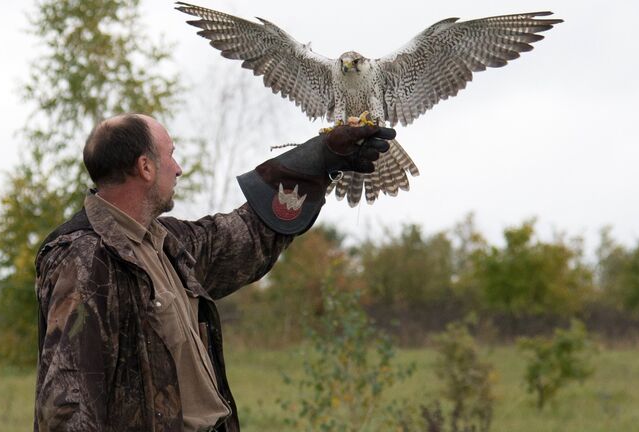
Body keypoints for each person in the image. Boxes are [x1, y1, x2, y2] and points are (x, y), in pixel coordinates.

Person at [34, 113, 394, 431]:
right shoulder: (84, 258)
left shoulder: (166, 243)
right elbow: (69, 402)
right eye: (171, 155)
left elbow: (241, 236)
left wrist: (320, 159)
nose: (178, 167)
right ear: (145, 167)